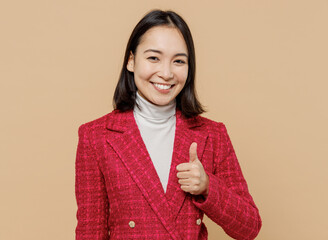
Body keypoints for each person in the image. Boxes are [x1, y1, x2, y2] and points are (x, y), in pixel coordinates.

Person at [75, 9, 262, 240]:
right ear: (131, 61)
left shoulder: (212, 134)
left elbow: (249, 228)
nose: (166, 73)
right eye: (153, 58)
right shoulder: (96, 136)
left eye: (179, 61)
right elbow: (90, 232)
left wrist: (207, 186)